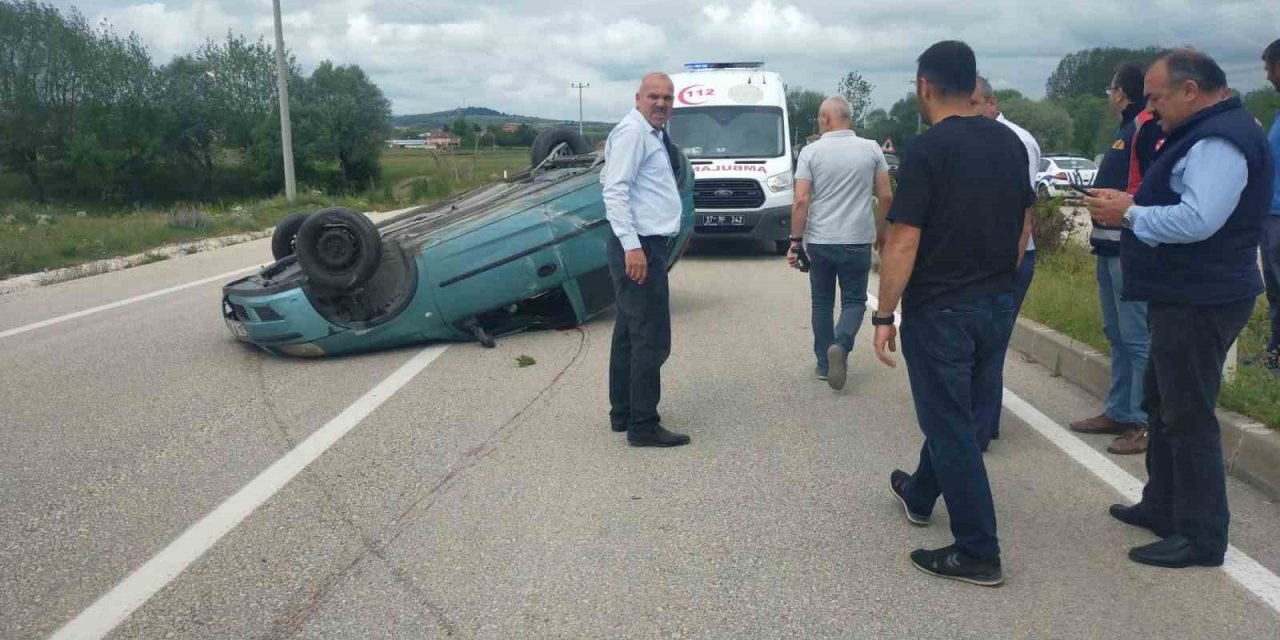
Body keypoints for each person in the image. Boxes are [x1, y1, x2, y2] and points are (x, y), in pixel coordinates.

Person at [1084, 49, 1274, 568]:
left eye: (1156, 97)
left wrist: (1131, 213)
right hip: (1184, 293)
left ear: (1190, 91)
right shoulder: (1203, 131)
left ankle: (1201, 535)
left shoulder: (1219, 140)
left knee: (1188, 415)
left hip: (1203, 296)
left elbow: (1198, 220)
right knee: (1163, 404)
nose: (1149, 108)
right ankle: (1163, 504)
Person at [873, 41, 1035, 587]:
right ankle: (920, 493)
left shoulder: (927, 150)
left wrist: (884, 314)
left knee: (949, 427)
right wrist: (1003, 284)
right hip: (997, 300)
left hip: (942, 307)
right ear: (972, 84)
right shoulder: (1010, 143)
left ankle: (978, 551)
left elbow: (903, 240)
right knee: (959, 412)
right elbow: (1023, 227)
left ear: (924, 85)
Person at [1069, 62, 1164, 456]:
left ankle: (1141, 421)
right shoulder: (1129, 128)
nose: (1109, 95)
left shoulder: (1147, 127)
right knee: (1117, 334)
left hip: (1131, 247)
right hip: (1109, 245)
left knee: (1137, 338)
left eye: (1111, 89)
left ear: (1121, 93)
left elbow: (1155, 187)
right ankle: (1120, 411)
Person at [601, 72, 690, 448]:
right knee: (650, 338)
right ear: (638, 98)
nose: (661, 103)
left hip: (645, 244)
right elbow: (614, 190)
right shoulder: (634, 133)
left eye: (668, 98)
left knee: (628, 333)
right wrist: (632, 246)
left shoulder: (651, 134)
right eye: (654, 96)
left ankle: (623, 413)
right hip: (639, 247)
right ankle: (643, 424)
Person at [786, 96, 894, 391]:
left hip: (820, 241)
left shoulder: (810, 152)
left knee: (822, 303)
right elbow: (886, 196)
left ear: (826, 119)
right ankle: (842, 345)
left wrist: (795, 242)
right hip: (857, 240)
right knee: (854, 301)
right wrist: (881, 232)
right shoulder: (871, 148)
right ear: (849, 118)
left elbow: (801, 200)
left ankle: (824, 363)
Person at [970, 75, 1040, 450]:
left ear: (992, 102)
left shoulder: (1015, 141)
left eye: (974, 104)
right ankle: (984, 420)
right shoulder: (977, 138)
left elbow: (1021, 215)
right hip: (986, 257)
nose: (968, 112)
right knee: (983, 342)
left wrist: (1006, 268)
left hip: (1010, 257)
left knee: (991, 344)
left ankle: (980, 428)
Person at [1260, 39, 1280, 370]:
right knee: (1275, 290)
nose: (1267, 76)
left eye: (1269, 68)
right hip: (1270, 212)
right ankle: (1275, 354)